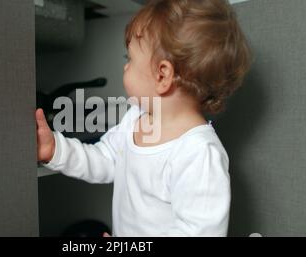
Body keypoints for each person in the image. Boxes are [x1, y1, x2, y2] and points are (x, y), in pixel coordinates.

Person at [35, 0, 252, 236]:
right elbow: (105, 158)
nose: (125, 67)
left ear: (162, 75)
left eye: (129, 59)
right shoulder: (137, 118)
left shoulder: (198, 154)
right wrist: (56, 149)